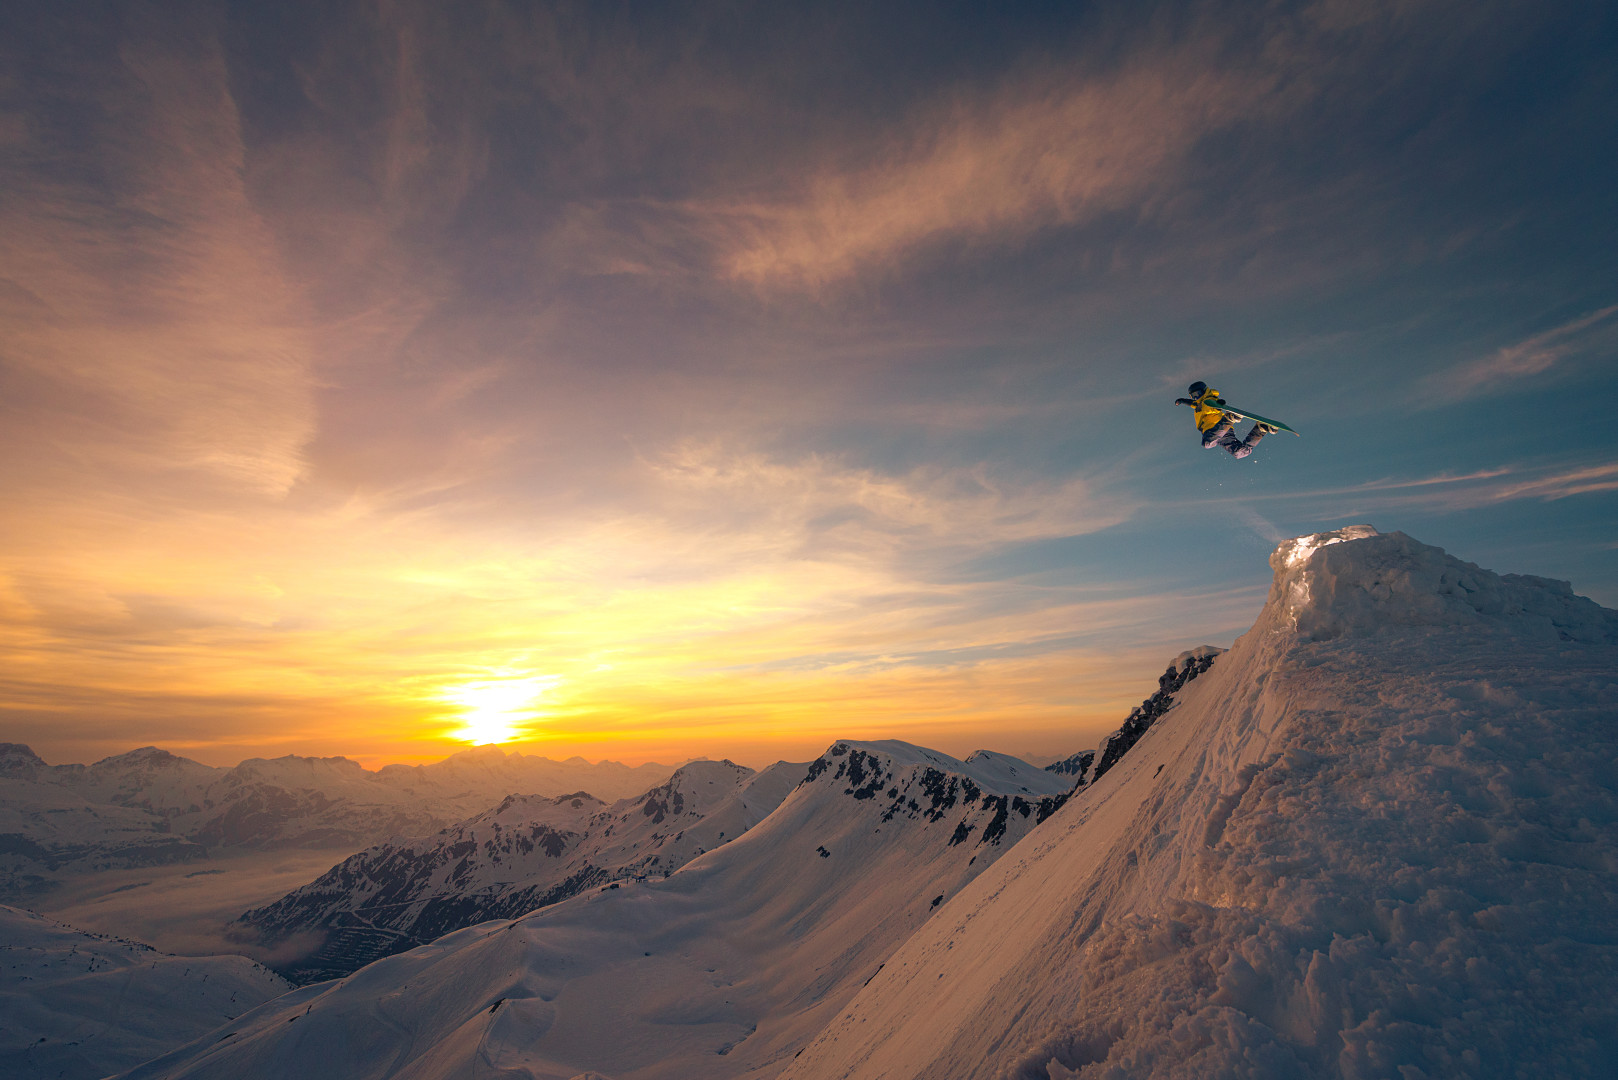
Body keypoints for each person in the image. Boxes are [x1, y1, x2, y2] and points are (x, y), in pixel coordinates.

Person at [1174, 381, 1276, 460]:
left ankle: (1230, 418)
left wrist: (1219, 404)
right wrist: (1182, 401)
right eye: (1193, 396)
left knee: (1207, 443)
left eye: (1198, 393)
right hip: (1222, 434)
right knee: (1239, 453)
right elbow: (1191, 403)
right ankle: (1260, 429)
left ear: (1204, 391)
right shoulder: (1197, 404)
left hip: (1214, 430)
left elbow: (1215, 404)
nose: (1196, 397)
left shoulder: (1208, 400)